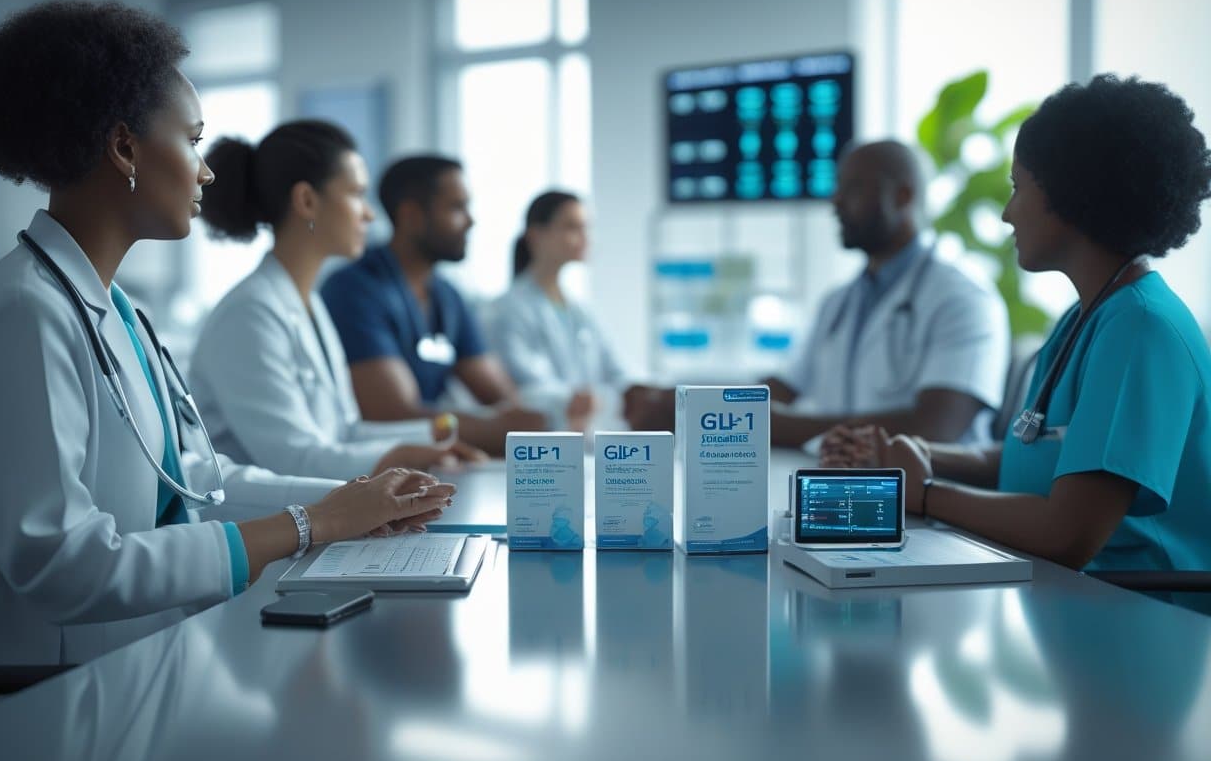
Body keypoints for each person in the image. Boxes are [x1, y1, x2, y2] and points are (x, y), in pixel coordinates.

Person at [0, 0, 452, 667]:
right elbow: (61, 562)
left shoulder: (118, 310)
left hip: (148, 657)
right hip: (63, 690)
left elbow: (199, 484)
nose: (205, 171)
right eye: (192, 140)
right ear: (124, 147)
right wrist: (309, 524)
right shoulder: (26, 310)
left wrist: (350, 504)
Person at [822, 75, 1211, 579]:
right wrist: (919, 456)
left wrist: (924, 495)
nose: (1007, 214)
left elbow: (1066, 533)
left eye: (1017, 187)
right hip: (1066, 596)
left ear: (1072, 194)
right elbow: (1032, 457)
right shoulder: (1089, 315)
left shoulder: (1141, 328)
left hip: (1141, 610)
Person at [626, 140, 1010, 446]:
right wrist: (683, 403)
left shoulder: (963, 298)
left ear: (904, 197)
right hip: (846, 492)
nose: (836, 201)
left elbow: (935, 427)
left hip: (931, 508)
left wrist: (761, 425)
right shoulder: (840, 301)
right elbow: (781, 390)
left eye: (854, 188)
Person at [188, 121, 487, 481]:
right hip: (261, 522)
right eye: (357, 194)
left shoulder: (307, 302)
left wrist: (432, 441)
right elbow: (294, 460)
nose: (369, 214)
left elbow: (345, 433)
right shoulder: (249, 315)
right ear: (307, 201)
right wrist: (401, 456)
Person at [321, 155, 545, 455]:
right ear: (412, 215)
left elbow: (503, 398)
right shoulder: (354, 289)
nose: (470, 220)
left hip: (435, 464)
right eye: (456, 207)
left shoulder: (449, 297)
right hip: (373, 473)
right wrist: (503, 431)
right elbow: (392, 415)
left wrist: (518, 425)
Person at [486, 190, 628, 431]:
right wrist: (571, 400)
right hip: (543, 434)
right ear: (536, 235)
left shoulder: (581, 311)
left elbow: (616, 372)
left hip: (588, 432)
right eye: (572, 227)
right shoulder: (508, 309)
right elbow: (523, 384)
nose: (585, 237)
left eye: (586, 228)